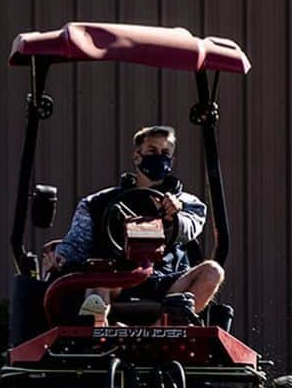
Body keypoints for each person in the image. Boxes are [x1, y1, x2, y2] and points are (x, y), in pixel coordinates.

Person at [53, 125, 225, 326]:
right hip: (116, 276)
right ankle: (97, 332)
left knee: (213, 271)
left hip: (166, 279)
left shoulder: (187, 204)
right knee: (96, 279)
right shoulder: (98, 203)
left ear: (171, 161)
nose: (158, 156)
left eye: (165, 153)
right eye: (152, 151)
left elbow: (189, 229)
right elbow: (76, 245)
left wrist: (174, 216)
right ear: (137, 156)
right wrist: (60, 257)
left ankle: (159, 330)